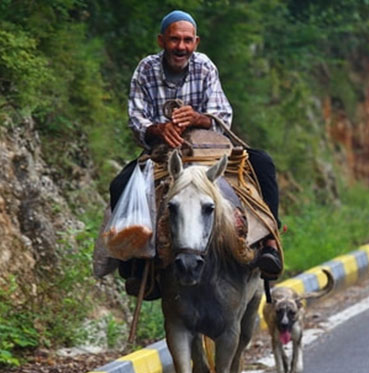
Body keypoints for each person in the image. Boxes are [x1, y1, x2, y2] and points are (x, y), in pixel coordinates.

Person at [109, 10, 282, 294]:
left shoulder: (204, 67)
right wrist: (157, 129)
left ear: (196, 42)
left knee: (263, 163)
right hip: (164, 155)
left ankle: (269, 243)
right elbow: (136, 118)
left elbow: (222, 115)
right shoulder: (146, 69)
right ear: (162, 40)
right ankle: (137, 264)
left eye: (187, 40)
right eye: (174, 39)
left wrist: (198, 118)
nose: (181, 47)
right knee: (119, 185)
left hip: (209, 150)